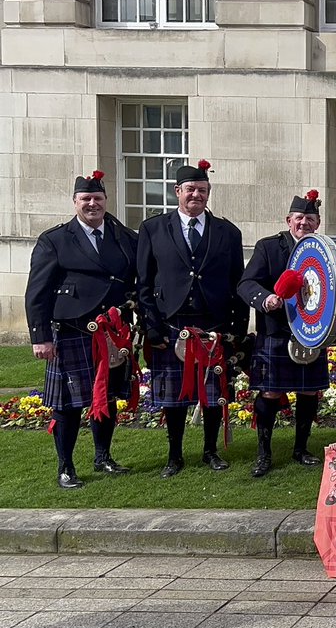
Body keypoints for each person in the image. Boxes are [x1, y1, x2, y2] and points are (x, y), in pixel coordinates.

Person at [26, 170, 138, 488]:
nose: (92, 204)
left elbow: (139, 280)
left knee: (106, 397)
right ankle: (66, 467)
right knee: (68, 405)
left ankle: (103, 457)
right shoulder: (55, 239)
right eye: (85, 198)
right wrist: (41, 337)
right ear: (75, 201)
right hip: (71, 331)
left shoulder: (125, 237)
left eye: (97, 198)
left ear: (106, 200)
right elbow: (37, 291)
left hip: (111, 334)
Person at [137, 160, 248, 478]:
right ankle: (174, 455)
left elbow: (237, 282)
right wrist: (151, 325)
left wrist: (237, 329)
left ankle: (210, 451)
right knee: (174, 397)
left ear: (208, 193)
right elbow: (143, 282)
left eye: (202, 190)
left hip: (213, 326)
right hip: (172, 325)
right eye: (190, 189)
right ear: (177, 192)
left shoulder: (227, 232)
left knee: (213, 395)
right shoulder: (153, 229)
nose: (196, 195)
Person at [237, 189, 329, 478]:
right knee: (270, 391)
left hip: (312, 332)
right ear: (289, 219)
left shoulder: (325, 250)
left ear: (318, 222)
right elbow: (246, 283)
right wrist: (266, 299)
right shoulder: (269, 247)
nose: (304, 223)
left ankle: (301, 449)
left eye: (310, 218)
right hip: (276, 330)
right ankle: (264, 453)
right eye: (299, 218)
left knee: (309, 390)